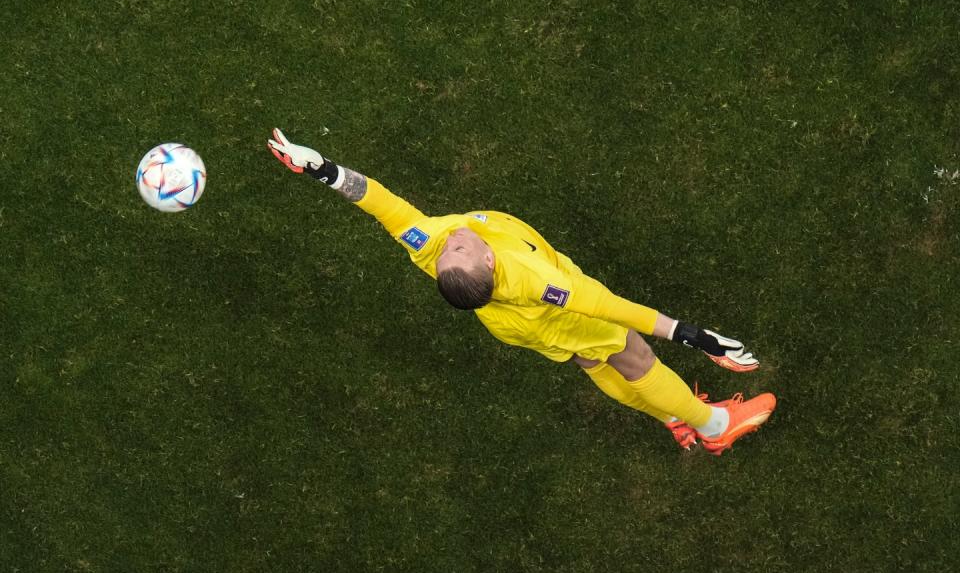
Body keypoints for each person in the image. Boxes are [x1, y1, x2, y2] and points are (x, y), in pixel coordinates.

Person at [267, 129, 776, 455]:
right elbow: (603, 305)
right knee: (632, 355)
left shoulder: (430, 251)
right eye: (459, 249)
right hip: (564, 317)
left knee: (593, 365)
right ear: (488, 260)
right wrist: (690, 335)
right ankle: (712, 425)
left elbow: (381, 203)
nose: (453, 241)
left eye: (452, 251)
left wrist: (321, 169)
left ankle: (671, 416)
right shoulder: (534, 281)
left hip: (521, 330)